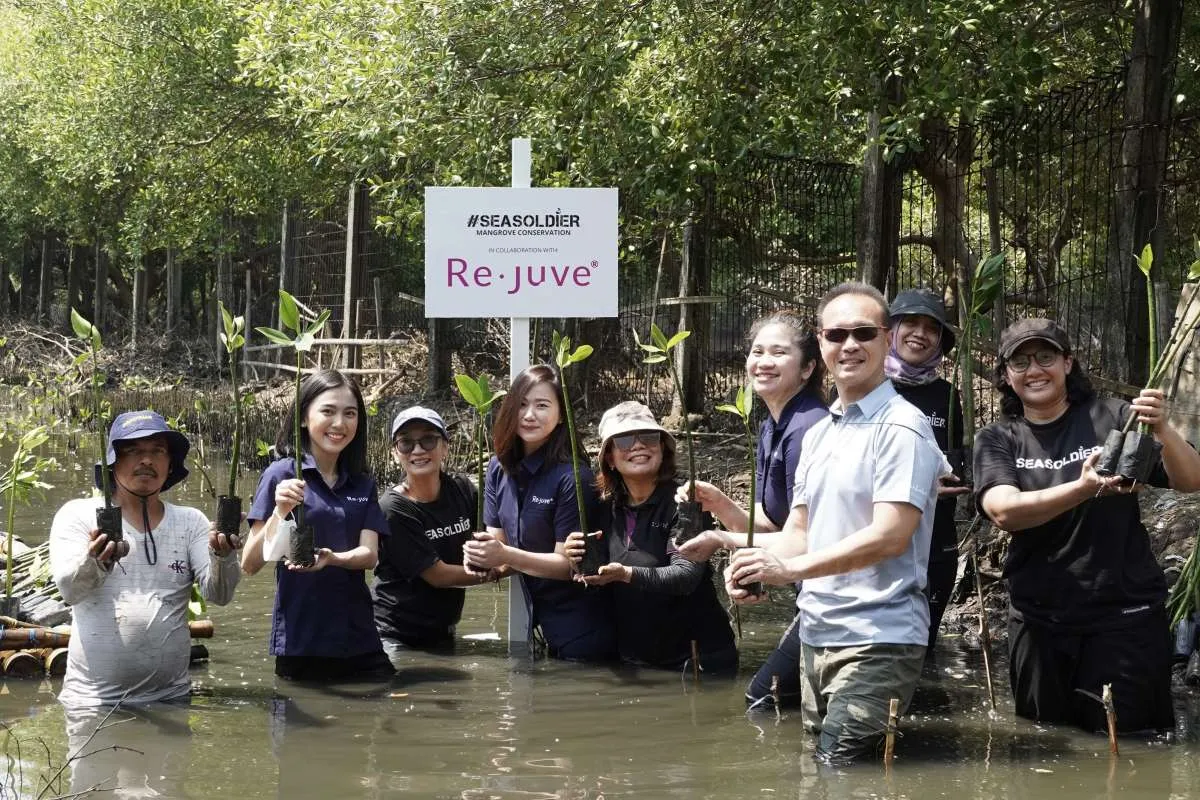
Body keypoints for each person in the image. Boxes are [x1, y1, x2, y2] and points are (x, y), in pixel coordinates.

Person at [683, 282, 946, 763]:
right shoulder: (822, 433)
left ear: (887, 339)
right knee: (818, 772)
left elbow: (890, 536)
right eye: (836, 334)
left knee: (842, 772)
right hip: (817, 634)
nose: (850, 345)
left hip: (878, 637)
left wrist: (788, 571)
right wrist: (750, 562)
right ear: (821, 343)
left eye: (863, 333)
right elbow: (798, 535)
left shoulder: (903, 427)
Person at [974, 318, 1200, 734]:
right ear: (1006, 375)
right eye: (1020, 362)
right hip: (1039, 622)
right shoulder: (998, 438)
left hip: (1126, 618)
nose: (1034, 369)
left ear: (1067, 363)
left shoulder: (1114, 416)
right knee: (1043, 745)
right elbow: (1004, 511)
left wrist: (1163, 429)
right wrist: (1082, 488)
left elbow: (1191, 480)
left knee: (1132, 746)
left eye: (1046, 357)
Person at [678, 310, 827, 708]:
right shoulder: (770, 426)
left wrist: (719, 539)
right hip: (807, 591)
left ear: (808, 367)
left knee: (764, 700)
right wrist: (719, 502)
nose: (764, 361)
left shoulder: (808, 427)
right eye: (757, 351)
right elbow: (767, 524)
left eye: (779, 352)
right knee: (783, 702)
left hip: (831, 593)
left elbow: (808, 538)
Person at [50, 410, 240, 707]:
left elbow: (220, 594)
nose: (147, 460)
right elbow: (69, 591)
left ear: (170, 464)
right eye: (133, 450)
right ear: (112, 462)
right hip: (92, 702)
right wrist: (96, 561)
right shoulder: (78, 515)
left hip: (173, 699)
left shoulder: (190, 522)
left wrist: (223, 555)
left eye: (158, 451)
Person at [241, 369, 393, 681]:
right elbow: (250, 564)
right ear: (302, 418)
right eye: (328, 411)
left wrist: (332, 559)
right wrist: (280, 511)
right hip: (302, 640)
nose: (339, 423)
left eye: (350, 413)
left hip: (359, 636)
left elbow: (369, 555)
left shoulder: (362, 482)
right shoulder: (281, 474)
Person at [564, 401, 736, 674]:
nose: (638, 445)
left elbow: (685, 576)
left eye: (648, 437)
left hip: (695, 662)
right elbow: (597, 578)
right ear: (610, 458)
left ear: (662, 448)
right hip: (635, 662)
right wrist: (576, 560)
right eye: (624, 440)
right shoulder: (603, 507)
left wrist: (626, 574)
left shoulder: (686, 501)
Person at [462, 364, 615, 661]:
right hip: (538, 619)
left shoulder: (574, 477)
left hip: (582, 621)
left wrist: (503, 555)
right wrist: (484, 562)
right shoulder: (497, 468)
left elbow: (566, 565)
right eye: (521, 405)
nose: (529, 415)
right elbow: (500, 545)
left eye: (542, 405)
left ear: (562, 415)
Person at [373, 406, 494, 656]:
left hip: (441, 631)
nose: (418, 450)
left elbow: (494, 538)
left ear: (445, 448)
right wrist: (509, 567)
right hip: (393, 635)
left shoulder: (463, 490)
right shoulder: (392, 508)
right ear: (395, 453)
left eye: (428, 440)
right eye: (406, 443)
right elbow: (438, 576)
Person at [885, 288, 969, 650]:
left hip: (936, 538)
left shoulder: (947, 396)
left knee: (923, 648)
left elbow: (953, 464)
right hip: (878, 542)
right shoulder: (865, 387)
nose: (920, 334)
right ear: (890, 330)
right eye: (911, 323)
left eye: (931, 328)